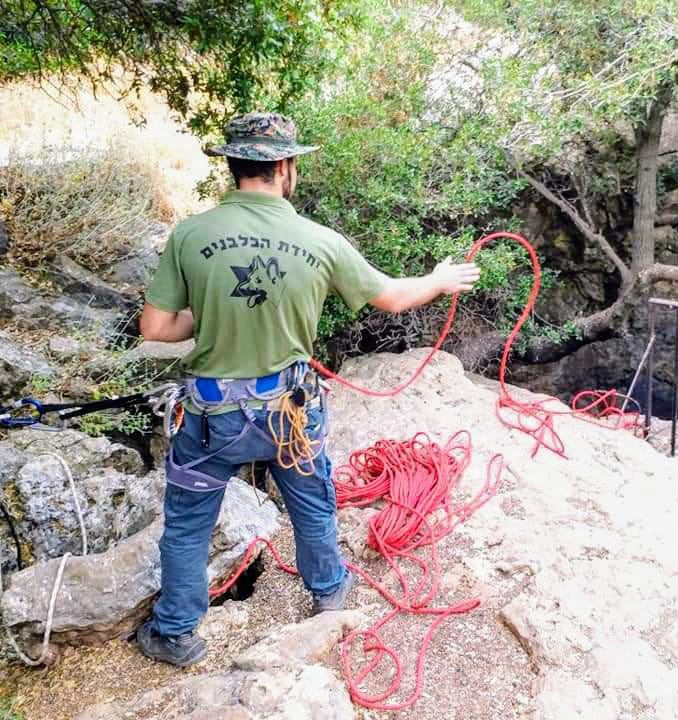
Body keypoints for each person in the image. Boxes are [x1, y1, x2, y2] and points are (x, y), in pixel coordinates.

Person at [136, 111, 481, 667]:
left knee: (187, 525)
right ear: (286, 167)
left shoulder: (191, 234)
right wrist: (440, 281)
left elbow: (155, 328)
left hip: (210, 419)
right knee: (312, 504)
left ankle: (175, 632)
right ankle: (330, 593)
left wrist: (210, 314)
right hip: (288, 415)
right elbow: (392, 297)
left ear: (234, 165)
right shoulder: (319, 240)